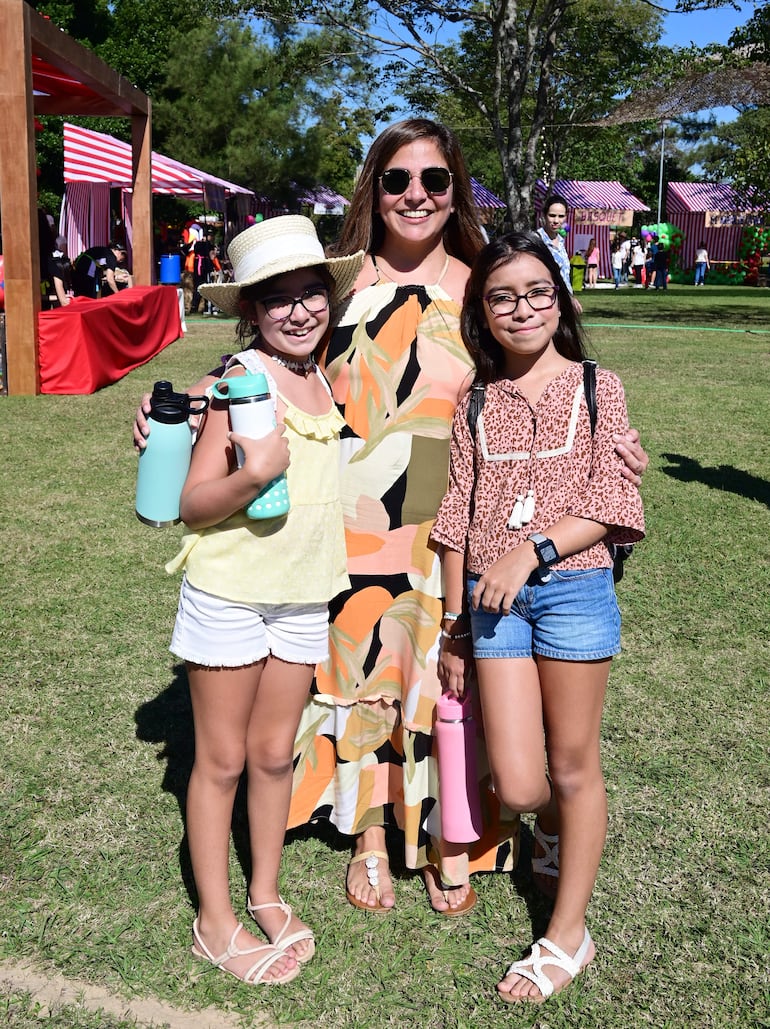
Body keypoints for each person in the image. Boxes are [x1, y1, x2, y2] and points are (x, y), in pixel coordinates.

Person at [134, 119, 650, 918]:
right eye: (398, 179)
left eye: (435, 180)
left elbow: (546, 370)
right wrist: (183, 404)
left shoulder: (484, 282)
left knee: (452, 676)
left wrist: (610, 447)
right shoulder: (332, 283)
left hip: (455, 521)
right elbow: (269, 356)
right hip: (345, 516)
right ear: (373, 188)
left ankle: (455, 834)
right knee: (366, 676)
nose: (416, 195)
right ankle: (372, 835)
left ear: (457, 192)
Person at [431, 231, 644, 1003]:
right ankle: (552, 829)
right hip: (491, 601)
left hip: (573, 589)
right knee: (521, 784)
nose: (521, 309)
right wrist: (454, 626)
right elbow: (455, 514)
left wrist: (533, 552)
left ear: (560, 298)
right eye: (501, 297)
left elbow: (614, 500)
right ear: (482, 314)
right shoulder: (475, 400)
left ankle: (566, 934)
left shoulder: (597, 386)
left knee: (573, 763)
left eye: (536, 292)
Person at [164, 215, 364, 984]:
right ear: (249, 310)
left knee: (275, 752)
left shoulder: (320, 375)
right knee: (219, 759)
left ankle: (265, 890)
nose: (299, 310)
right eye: (277, 299)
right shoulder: (238, 380)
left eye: (312, 292)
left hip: (302, 593)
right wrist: (251, 476)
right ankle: (215, 923)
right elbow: (193, 503)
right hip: (232, 593)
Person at [537, 194, 582, 313]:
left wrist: (570, 298)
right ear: (544, 215)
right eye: (552, 215)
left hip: (564, 303)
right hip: (545, 304)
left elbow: (564, 277)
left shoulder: (561, 241)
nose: (556, 221)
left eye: (561, 216)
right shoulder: (536, 241)